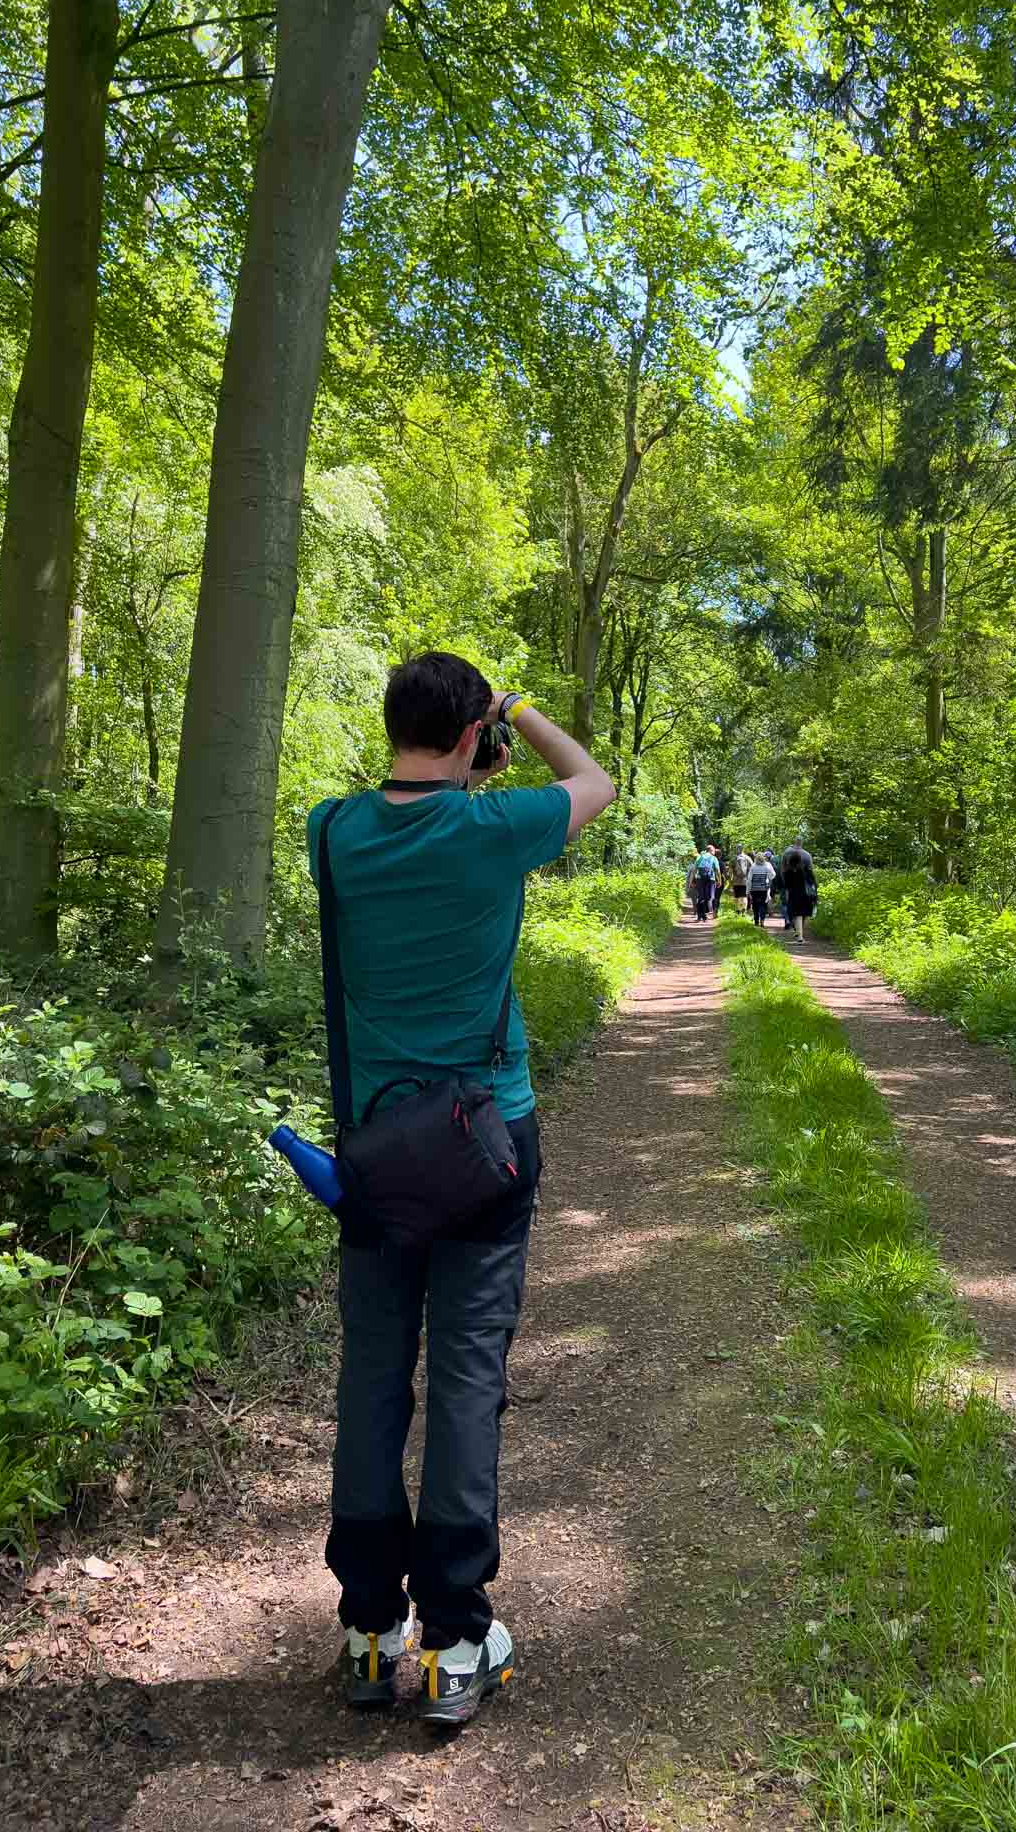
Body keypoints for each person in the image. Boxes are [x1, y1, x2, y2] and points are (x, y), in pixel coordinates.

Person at [308, 654, 614, 1722]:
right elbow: (596, 780)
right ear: (477, 735)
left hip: (375, 1155)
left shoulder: (332, 830)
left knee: (373, 1379)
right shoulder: (494, 832)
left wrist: (473, 736)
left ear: (392, 722)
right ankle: (452, 1637)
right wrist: (522, 712)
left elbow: (404, 808)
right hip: (488, 1145)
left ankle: (364, 1627)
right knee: (465, 1379)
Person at [781, 836, 817, 943]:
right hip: (806, 890)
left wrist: (785, 889)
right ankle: (800, 932)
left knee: (796, 912)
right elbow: (812, 875)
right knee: (804, 912)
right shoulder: (807, 855)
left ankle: (798, 932)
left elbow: (783, 871)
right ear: (802, 843)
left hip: (793, 889)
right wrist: (814, 889)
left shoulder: (786, 853)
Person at [688, 845, 718, 921]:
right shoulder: (714, 858)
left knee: (700, 897)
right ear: (711, 850)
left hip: (700, 879)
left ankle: (699, 916)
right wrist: (719, 880)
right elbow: (717, 870)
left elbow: (694, 870)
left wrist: (691, 881)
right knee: (708, 898)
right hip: (710, 880)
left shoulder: (700, 857)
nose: (714, 852)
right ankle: (705, 915)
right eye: (714, 850)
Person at [747, 850, 774, 927]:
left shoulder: (753, 866)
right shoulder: (767, 865)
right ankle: (762, 921)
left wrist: (748, 891)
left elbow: (749, 880)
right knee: (763, 905)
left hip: (754, 889)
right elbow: (772, 876)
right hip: (763, 889)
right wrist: (769, 885)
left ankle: (756, 921)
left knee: (755, 905)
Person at [731, 845, 752, 912]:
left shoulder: (734, 859)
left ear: (736, 849)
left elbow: (730, 870)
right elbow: (752, 868)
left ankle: (738, 910)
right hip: (745, 881)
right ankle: (744, 910)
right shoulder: (747, 858)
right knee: (744, 896)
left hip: (736, 881)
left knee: (737, 896)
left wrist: (730, 880)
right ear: (743, 849)